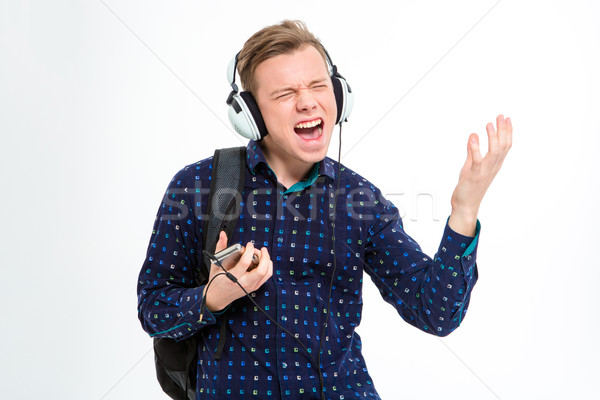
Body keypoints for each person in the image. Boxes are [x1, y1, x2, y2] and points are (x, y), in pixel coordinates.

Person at [137, 20, 512, 400]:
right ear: (250, 114)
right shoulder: (197, 188)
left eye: (318, 86)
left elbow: (436, 313)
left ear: (338, 94)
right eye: (285, 93)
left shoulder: (361, 200)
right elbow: (152, 309)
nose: (307, 101)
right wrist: (212, 297)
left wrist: (464, 211)